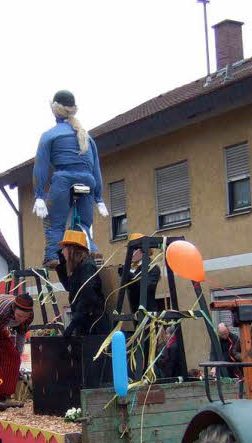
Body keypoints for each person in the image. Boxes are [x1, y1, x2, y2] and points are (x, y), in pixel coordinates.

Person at [32, 90, 107, 267]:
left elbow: (40, 167)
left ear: (55, 110)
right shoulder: (87, 137)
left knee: (54, 220)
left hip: (64, 179)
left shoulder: (50, 135)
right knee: (84, 223)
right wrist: (99, 197)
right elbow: (96, 168)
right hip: (88, 182)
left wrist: (39, 196)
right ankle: (92, 251)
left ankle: (52, 255)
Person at [54, 230, 110, 338]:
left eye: (64, 248)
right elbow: (70, 288)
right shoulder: (78, 269)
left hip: (94, 327)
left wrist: (74, 323)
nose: (62, 252)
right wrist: (62, 265)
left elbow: (87, 297)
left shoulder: (87, 267)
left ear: (72, 249)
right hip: (86, 324)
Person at [120, 233, 161, 315]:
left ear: (142, 251)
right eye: (129, 249)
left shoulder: (153, 268)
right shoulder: (129, 267)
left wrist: (128, 275)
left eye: (133, 249)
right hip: (130, 312)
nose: (130, 253)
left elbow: (146, 287)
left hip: (146, 314)